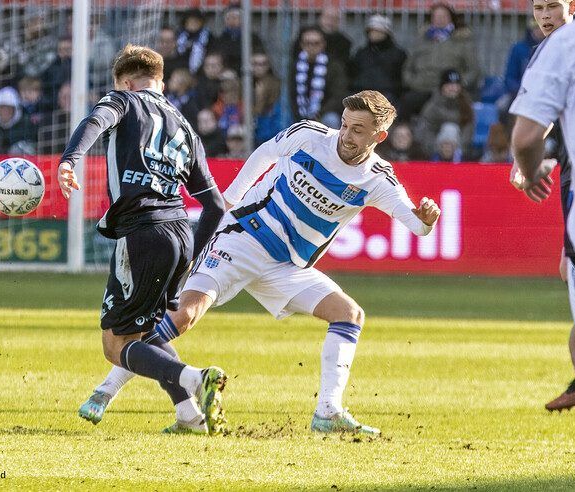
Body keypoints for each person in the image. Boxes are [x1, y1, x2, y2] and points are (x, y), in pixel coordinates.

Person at [83, 90, 441, 436]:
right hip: (243, 237)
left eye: (357, 130)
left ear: (379, 136)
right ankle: (106, 389)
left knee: (349, 314)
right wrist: (230, 201)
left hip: (287, 266)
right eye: (345, 124)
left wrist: (427, 218)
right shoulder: (310, 136)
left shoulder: (377, 179)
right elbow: (263, 154)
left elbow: (416, 225)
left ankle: (328, 411)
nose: (345, 135)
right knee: (184, 315)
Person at [58, 44, 227, 435]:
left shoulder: (125, 101)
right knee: (146, 330)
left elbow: (95, 122)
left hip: (141, 233)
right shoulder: (185, 126)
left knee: (116, 345)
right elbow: (215, 207)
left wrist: (69, 159)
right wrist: (189, 260)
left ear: (126, 82)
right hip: (182, 233)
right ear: (161, 82)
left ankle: (194, 378)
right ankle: (188, 415)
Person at [509, 0, 575, 429]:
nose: (545, 15)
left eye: (554, 6)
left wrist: (528, 167)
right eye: (538, 7)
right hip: (573, 180)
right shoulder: (550, 49)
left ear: (574, 7)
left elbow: (528, 134)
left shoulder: (564, 48)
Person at [400, 2, 480, 121]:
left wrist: (458, 84)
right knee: (404, 104)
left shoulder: (462, 41)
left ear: (451, 18)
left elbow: (474, 69)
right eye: (436, 16)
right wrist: (412, 82)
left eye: (443, 16)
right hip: (421, 88)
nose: (439, 19)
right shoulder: (421, 40)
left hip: (449, 91)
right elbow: (407, 67)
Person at [290, 26, 348, 128]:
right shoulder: (295, 66)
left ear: (323, 44)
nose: (311, 47)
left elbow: (338, 95)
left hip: (324, 113)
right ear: (301, 45)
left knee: (331, 119)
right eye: (307, 43)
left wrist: (318, 113)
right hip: (299, 113)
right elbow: (291, 95)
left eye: (316, 43)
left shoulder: (334, 66)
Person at [348, 15, 407, 105]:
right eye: (371, 30)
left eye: (377, 30)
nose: (373, 33)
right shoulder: (361, 53)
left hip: (386, 94)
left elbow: (401, 78)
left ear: (386, 33)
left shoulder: (398, 54)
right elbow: (353, 74)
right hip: (360, 92)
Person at [414, 69, 474, 157]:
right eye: (449, 85)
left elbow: (468, 129)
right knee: (448, 129)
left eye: (456, 85)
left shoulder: (466, 104)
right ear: (442, 87)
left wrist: (461, 148)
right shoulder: (433, 105)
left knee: (451, 129)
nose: (453, 88)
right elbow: (426, 129)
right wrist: (435, 148)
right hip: (436, 147)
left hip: (458, 148)